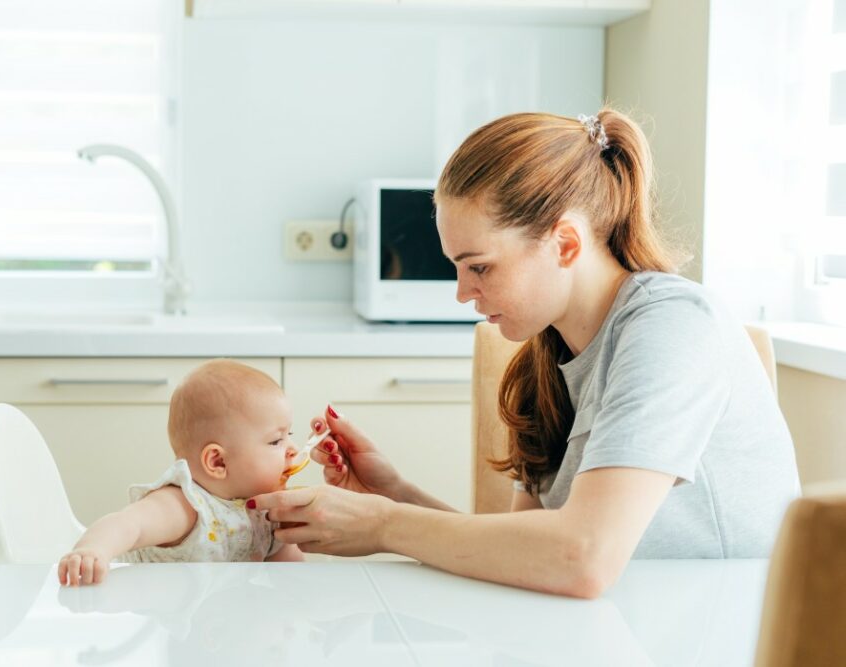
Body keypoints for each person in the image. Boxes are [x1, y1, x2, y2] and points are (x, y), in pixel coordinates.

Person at [248, 109, 801, 598]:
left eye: (479, 266)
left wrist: (385, 524)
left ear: (565, 243)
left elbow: (582, 556)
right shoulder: (547, 355)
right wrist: (395, 493)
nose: (463, 293)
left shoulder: (673, 325)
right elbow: (530, 554)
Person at [59, 359, 304, 586]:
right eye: (276, 441)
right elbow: (128, 524)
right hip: (173, 618)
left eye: (288, 436)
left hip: (229, 623)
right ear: (218, 462)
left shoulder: (267, 513)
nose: (293, 450)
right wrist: (93, 550)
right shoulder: (185, 505)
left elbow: (293, 578)